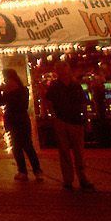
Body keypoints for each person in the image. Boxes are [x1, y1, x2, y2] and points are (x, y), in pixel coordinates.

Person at [44, 62, 94, 191]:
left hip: (74, 121)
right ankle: (69, 179)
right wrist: (53, 115)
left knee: (78, 152)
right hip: (63, 120)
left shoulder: (74, 86)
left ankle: (81, 178)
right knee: (65, 151)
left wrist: (86, 119)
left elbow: (83, 104)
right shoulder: (56, 86)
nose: (63, 73)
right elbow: (48, 101)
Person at [0, 68, 43, 181]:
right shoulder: (19, 90)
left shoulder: (21, 90)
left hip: (18, 119)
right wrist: (0, 91)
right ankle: (28, 171)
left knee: (25, 145)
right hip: (17, 120)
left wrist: (6, 92)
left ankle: (30, 170)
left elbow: (21, 105)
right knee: (20, 146)